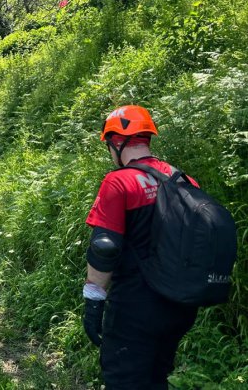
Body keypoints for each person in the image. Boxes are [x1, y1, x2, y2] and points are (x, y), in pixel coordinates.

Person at [83, 105, 200, 389]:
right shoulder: (184, 179)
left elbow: (105, 248)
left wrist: (94, 300)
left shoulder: (119, 182)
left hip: (135, 307)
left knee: (125, 380)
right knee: (157, 377)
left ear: (116, 142)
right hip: (180, 305)